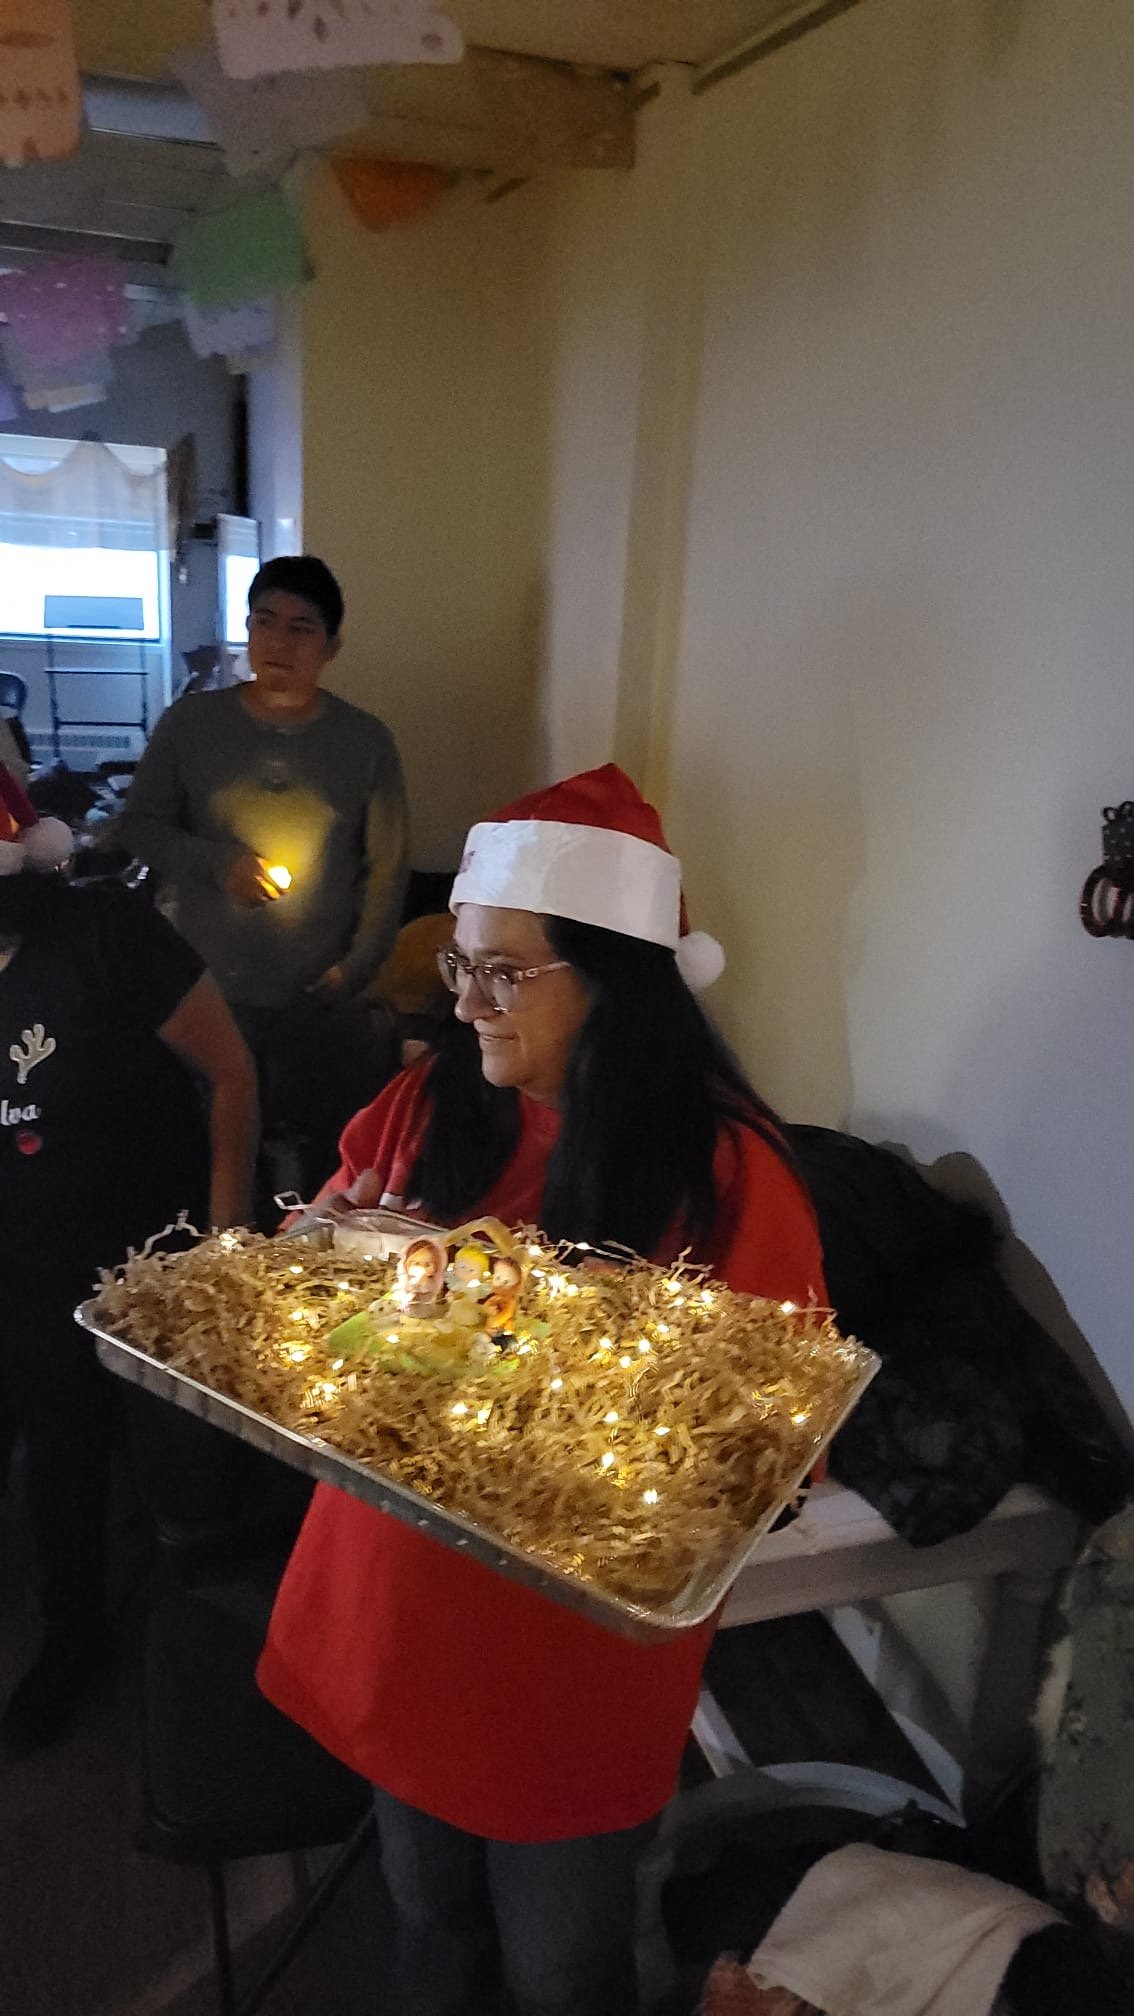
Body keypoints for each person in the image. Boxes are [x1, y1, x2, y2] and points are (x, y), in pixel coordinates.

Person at [256, 764, 828, 2016]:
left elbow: (766, 1470)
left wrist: (544, 1365)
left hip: (561, 1670)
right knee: (427, 1916)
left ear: (618, 980)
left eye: (505, 972)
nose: (465, 1004)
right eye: (460, 965)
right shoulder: (430, 1101)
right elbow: (306, 1262)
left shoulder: (729, 1177)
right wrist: (327, 1257)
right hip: (394, 1607)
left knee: (563, 1970)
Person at [0, 763, 259, 1752]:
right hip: (24, 1258)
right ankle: (74, 1624)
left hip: (143, 1256)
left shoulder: (105, 933)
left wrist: (225, 1246)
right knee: (56, 1444)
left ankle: (164, 1625)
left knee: (157, 1462)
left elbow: (230, 1073)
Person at [118, 554, 408, 1205]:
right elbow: (139, 826)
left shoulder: (364, 743)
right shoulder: (191, 725)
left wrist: (353, 970)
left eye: (301, 629)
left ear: (331, 647)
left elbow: (387, 867)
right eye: (264, 621)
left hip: (313, 998)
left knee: (313, 1172)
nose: (279, 642)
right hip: (202, 992)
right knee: (204, 1169)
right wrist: (218, 863)